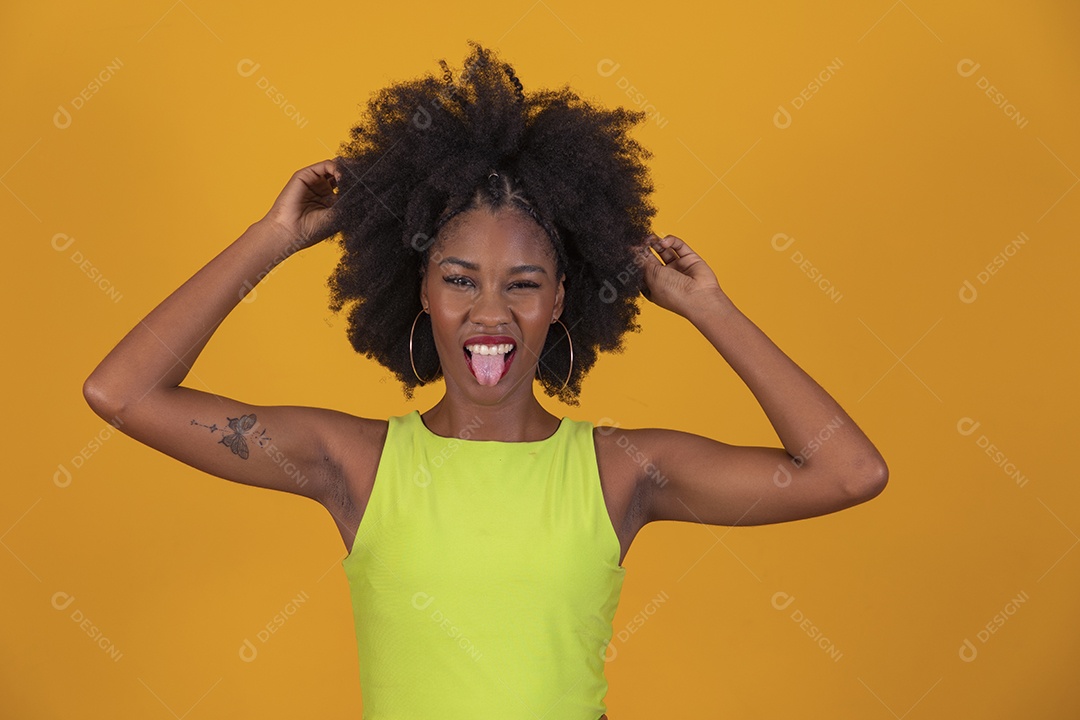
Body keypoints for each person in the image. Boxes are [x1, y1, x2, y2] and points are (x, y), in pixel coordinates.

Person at [82, 42, 887, 720]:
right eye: (461, 280)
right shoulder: (355, 463)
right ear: (422, 290)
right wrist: (272, 237)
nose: (490, 313)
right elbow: (123, 393)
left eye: (523, 284)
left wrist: (710, 309)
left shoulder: (620, 472)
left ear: (561, 299)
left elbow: (848, 471)